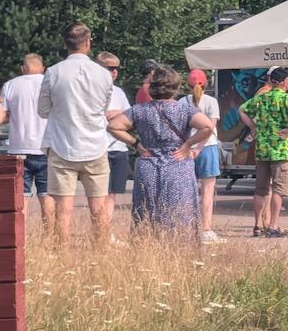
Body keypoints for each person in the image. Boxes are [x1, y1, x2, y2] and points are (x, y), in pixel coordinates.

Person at [107, 66, 213, 239]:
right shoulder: (185, 109)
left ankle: (147, 246)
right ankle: (181, 247)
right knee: (180, 213)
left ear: (152, 87)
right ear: (176, 87)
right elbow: (207, 126)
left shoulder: (139, 110)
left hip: (149, 164)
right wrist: (188, 144)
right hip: (178, 164)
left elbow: (113, 126)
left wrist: (136, 144)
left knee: (147, 211)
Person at [38, 23, 114, 244]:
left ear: (65, 44)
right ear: (88, 43)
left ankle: (62, 251)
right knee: (99, 207)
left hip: (62, 144)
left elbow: (42, 110)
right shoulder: (104, 74)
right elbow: (104, 107)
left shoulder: (53, 72)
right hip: (95, 144)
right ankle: (101, 251)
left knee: (63, 209)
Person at [239, 67, 288, 238]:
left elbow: (242, 110)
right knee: (278, 190)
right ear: (283, 81)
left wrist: (253, 127)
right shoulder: (285, 97)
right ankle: (273, 225)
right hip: (280, 150)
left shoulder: (261, 97)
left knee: (261, 189)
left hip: (262, 150)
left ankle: (257, 225)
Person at [1, 53, 53, 220]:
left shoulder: (10, 85)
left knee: (21, 197)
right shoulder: (50, 84)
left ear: (22, 68)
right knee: (47, 195)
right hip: (47, 148)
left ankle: (22, 234)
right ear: (43, 68)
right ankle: (50, 234)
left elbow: (2, 117)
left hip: (18, 148)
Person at [183, 69, 224, 243]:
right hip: (207, 147)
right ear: (206, 83)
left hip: (187, 147)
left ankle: (186, 227)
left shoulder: (182, 101)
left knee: (187, 189)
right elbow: (210, 127)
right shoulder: (211, 101)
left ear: (187, 84)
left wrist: (188, 146)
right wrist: (199, 147)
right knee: (207, 190)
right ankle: (206, 229)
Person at [95, 52, 133, 224]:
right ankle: (100, 227)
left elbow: (130, 117)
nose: (115, 72)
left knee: (113, 193)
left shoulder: (119, 92)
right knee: (99, 193)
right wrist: (104, 114)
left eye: (117, 68)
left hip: (118, 147)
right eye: (110, 68)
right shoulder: (91, 90)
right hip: (99, 147)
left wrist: (118, 113)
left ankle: (106, 227)